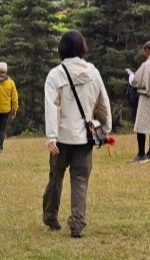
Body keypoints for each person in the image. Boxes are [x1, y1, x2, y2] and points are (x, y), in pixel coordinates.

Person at [43, 30, 111, 238]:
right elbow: (103, 104)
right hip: (85, 137)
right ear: (82, 48)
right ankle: (77, 224)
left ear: (62, 48)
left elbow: (51, 107)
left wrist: (51, 137)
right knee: (80, 180)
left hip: (62, 138)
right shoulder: (93, 72)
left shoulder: (56, 74)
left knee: (56, 176)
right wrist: (105, 130)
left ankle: (50, 215)